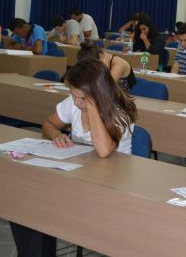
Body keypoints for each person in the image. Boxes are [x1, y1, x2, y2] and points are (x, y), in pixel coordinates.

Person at [13, 58, 138, 256]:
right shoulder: (74, 103)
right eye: (73, 96)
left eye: (82, 99)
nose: (75, 103)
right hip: (80, 176)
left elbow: (103, 150)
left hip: (112, 187)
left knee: (41, 205)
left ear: (96, 95)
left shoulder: (119, 113)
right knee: (24, 200)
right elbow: (48, 124)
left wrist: (93, 105)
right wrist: (56, 134)